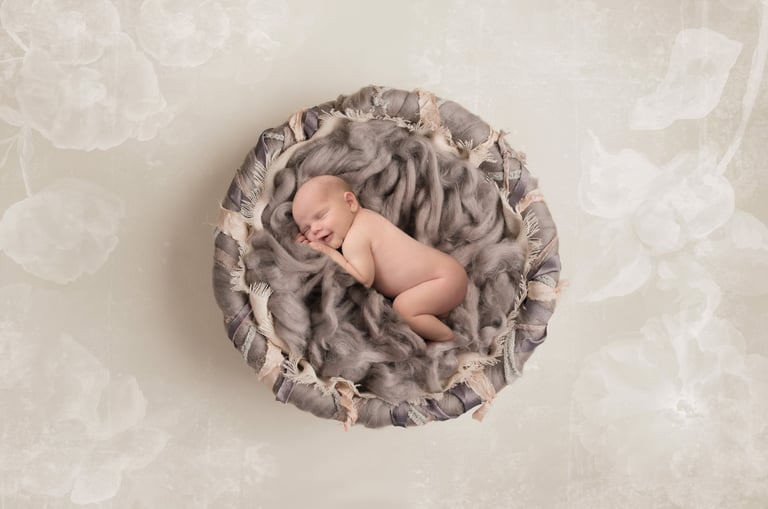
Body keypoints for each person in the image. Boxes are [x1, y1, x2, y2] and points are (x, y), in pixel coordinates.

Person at [292, 175, 468, 342]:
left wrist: (328, 252)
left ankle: (446, 338)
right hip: (447, 273)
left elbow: (363, 279)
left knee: (403, 309)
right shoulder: (367, 218)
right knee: (411, 305)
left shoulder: (356, 237)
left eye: (321, 215)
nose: (314, 229)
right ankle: (437, 314)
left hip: (443, 281)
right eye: (306, 229)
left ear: (350, 202)